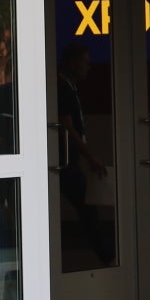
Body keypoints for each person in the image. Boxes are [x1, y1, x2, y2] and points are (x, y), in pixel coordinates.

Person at [54, 43, 115, 266]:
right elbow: (67, 128)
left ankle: (107, 256)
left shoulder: (69, 87)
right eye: (84, 63)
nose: (88, 68)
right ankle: (108, 258)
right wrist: (90, 156)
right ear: (72, 63)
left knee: (86, 208)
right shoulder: (62, 88)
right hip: (64, 161)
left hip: (68, 160)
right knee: (87, 209)